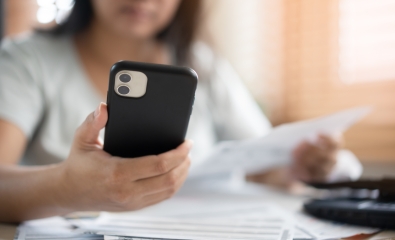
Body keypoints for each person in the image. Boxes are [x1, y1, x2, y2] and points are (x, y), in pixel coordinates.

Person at [0, 0, 361, 223]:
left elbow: (261, 165)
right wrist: (68, 187)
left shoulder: (205, 67)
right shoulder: (25, 60)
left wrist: (296, 165)